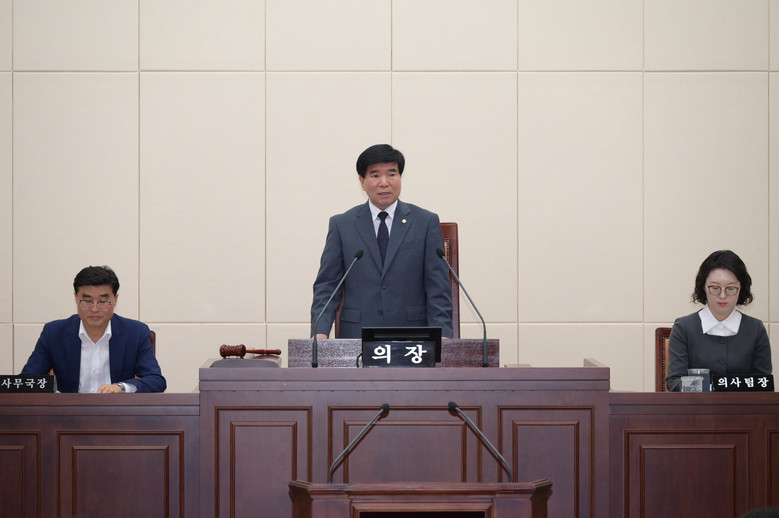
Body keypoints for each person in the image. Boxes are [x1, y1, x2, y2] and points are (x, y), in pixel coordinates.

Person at [311, 144, 453, 339]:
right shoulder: (342, 225)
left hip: (413, 337)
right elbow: (327, 286)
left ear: (400, 177)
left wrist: (443, 335)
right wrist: (320, 332)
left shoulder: (425, 222)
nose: (384, 183)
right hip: (356, 337)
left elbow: (438, 287)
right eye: (375, 175)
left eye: (392, 174)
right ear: (362, 181)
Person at [21, 265, 166, 393]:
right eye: (87, 301)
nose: (95, 309)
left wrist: (122, 388)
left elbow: (156, 381)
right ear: (76, 298)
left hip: (117, 412)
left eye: (103, 301)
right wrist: (56, 396)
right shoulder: (54, 333)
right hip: (68, 414)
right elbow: (27, 381)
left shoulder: (135, 333)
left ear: (115, 300)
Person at [666, 250, 772, 391]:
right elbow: (674, 381)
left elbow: (763, 383)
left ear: (741, 288)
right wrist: (709, 388)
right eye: (715, 288)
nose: (722, 295)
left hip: (743, 406)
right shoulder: (683, 327)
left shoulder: (755, 329)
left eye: (730, 288)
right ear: (704, 287)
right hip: (696, 405)